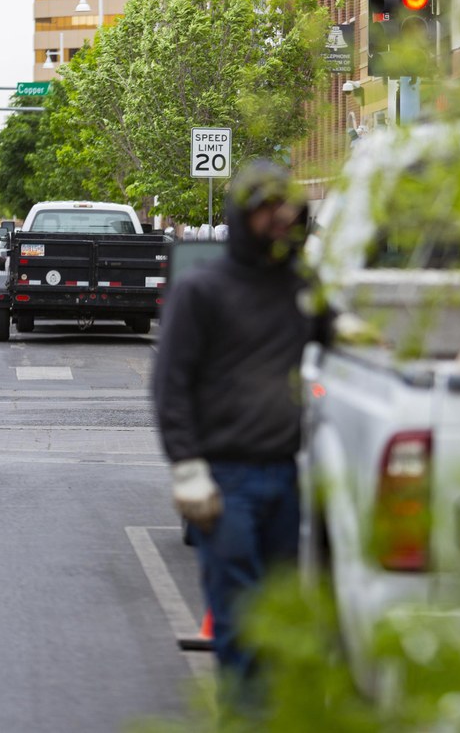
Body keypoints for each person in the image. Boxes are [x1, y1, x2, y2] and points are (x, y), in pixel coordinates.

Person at [152, 159, 328, 706]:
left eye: (288, 212)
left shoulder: (301, 289)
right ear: (243, 215)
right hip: (226, 483)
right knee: (236, 614)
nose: (279, 222)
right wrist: (187, 468)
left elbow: (344, 341)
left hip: (284, 476)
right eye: (267, 212)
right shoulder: (203, 292)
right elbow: (170, 385)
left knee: (276, 614)